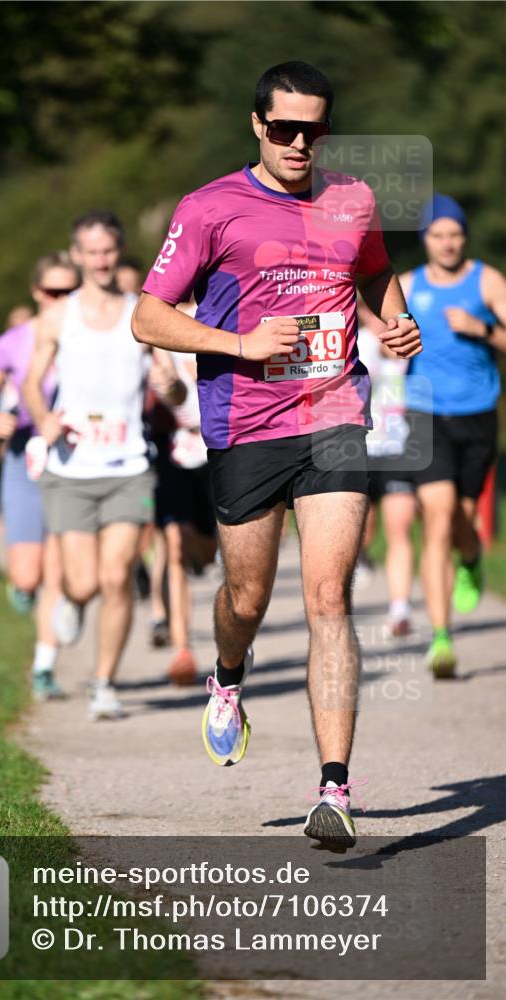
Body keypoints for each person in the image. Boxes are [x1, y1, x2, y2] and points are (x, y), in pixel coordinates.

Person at [132, 60, 422, 850]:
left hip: (333, 415)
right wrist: (238, 342)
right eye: (285, 128)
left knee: (329, 599)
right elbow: (147, 318)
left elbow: (374, 271)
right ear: (257, 125)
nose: (300, 142)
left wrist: (394, 322)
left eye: (314, 128)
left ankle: (334, 788)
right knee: (248, 599)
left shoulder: (352, 199)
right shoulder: (209, 209)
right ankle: (229, 676)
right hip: (243, 424)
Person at [23, 212, 183, 720]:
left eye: (109, 251)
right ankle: (71, 599)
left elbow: (176, 391)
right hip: (70, 468)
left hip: (129, 466)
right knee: (85, 581)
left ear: (118, 253)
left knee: (117, 577)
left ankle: (103, 682)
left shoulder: (145, 314)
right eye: (91, 252)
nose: (100, 260)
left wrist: (169, 386)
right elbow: (30, 383)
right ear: (76, 256)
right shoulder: (57, 316)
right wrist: (44, 418)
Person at [401, 194, 506, 677]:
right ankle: (441, 638)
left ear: (464, 237)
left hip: (478, 413)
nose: (447, 243)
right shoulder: (407, 285)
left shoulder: (486, 280)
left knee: (463, 520)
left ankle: (472, 556)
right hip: (425, 414)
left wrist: (482, 330)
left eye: (455, 234)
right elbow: (379, 330)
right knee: (438, 517)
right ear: (425, 239)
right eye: (439, 235)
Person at [0, 252, 80, 699]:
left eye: (71, 291)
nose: (63, 299)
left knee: (57, 570)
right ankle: (26, 590)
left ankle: (44, 667)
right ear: (37, 293)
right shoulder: (13, 342)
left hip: (70, 458)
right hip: (22, 458)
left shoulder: (88, 338)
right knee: (28, 575)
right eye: (54, 291)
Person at [148, 301, 217, 685]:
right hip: (174, 449)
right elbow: (172, 389)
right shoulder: (163, 316)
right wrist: (172, 386)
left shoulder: (227, 303)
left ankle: (202, 556)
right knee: (174, 546)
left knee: (206, 551)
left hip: (220, 447)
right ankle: (182, 649)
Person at [357, 298, 416, 636]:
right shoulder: (358, 343)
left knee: (400, 527)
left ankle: (400, 608)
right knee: (363, 529)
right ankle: (362, 556)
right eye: (369, 313)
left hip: (399, 448)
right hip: (360, 448)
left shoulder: (408, 341)